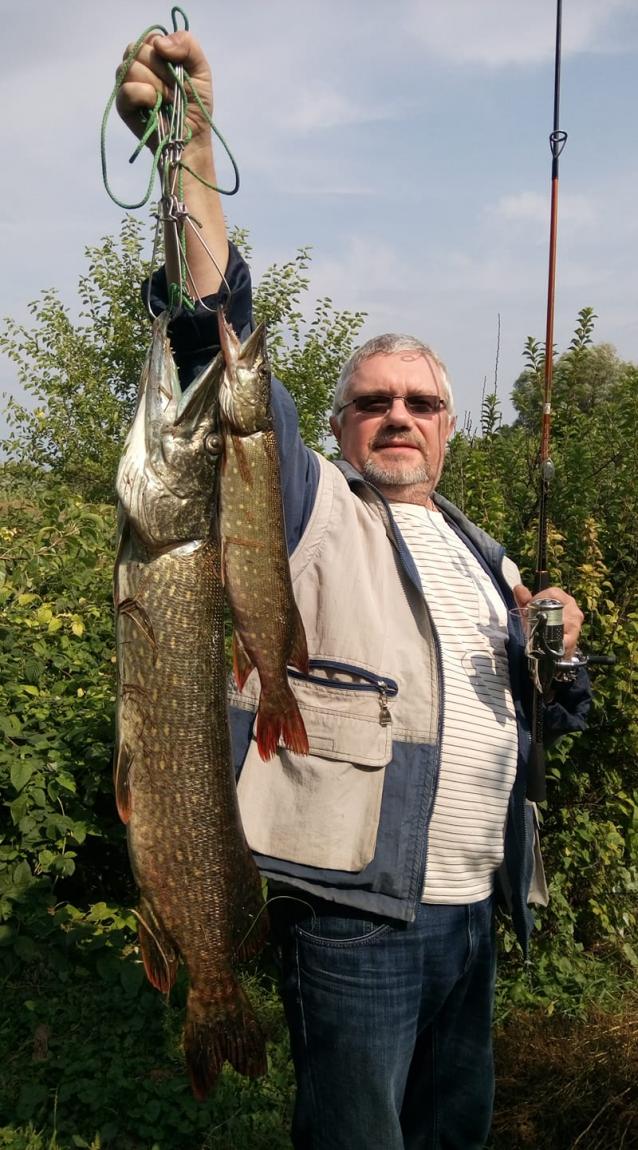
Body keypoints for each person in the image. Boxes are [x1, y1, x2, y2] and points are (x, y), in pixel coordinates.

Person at [117, 31, 591, 1150]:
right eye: (372, 401)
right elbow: (216, 338)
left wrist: (558, 648)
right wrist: (190, 153)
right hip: (359, 920)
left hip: (473, 914)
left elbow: (551, 717)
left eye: (420, 403)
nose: (397, 417)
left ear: (449, 427)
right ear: (336, 426)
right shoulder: (307, 502)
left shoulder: (485, 555)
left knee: (450, 1135)